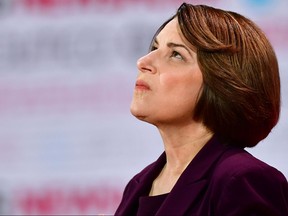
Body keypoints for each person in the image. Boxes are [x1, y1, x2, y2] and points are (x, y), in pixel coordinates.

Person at [115, 2, 288, 216]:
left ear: (222, 82)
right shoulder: (138, 184)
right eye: (154, 48)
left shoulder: (242, 179)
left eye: (176, 55)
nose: (143, 61)